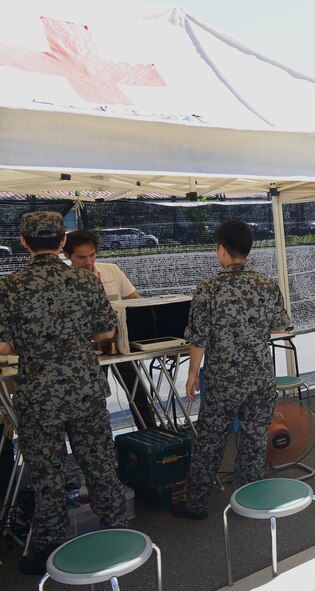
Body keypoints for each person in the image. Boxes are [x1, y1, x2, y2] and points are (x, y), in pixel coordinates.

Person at [0, 212, 128, 574]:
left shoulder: (9, 286)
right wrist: (73, 340)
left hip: (39, 393)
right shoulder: (86, 280)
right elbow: (106, 333)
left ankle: (46, 548)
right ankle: (119, 532)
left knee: (48, 473)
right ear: (61, 243)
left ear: (24, 242)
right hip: (84, 386)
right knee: (100, 464)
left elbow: (4, 346)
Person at [171, 220, 291, 520]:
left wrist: (192, 374)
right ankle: (248, 501)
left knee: (210, 441)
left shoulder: (208, 288)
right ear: (248, 251)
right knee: (253, 439)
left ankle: (195, 504)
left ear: (221, 250)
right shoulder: (267, 284)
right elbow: (280, 325)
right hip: (261, 376)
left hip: (223, 379)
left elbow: (198, 339)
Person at [63, 230, 157, 429]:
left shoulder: (110, 270)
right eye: (81, 257)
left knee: (136, 389)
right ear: (67, 255)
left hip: (119, 342)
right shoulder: (64, 281)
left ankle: (150, 431)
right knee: (94, 397)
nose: (88, 261)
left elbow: (135, 301)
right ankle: (100, 437)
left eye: (92, 255)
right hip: (85, 351)